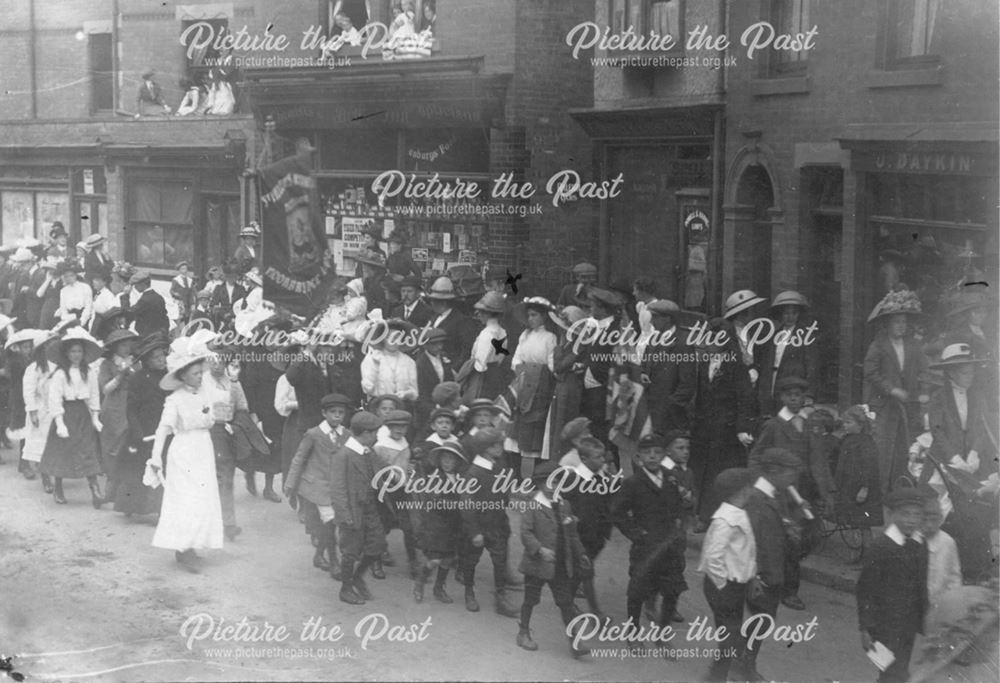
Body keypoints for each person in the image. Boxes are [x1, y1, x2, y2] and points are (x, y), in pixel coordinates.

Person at [749, 376, 833, 610]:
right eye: (790, 395)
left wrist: (825, 490)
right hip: (783, 492)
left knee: (810, 537)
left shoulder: (810, 425)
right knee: (790, 539)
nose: (795, 399)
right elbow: (756, 456)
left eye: (799, 395)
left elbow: (819, 460)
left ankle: (779, 577)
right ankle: (788, 590)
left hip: (807, 491)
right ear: (783, 398)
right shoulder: (774, 426)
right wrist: (763, 484)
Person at [148, 336, 222, 573]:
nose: (200, 377)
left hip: (203, 448)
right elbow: (163, 428)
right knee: (186, 499)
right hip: (184, 451)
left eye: (201, 372)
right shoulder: (175, 399)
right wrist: (155, 457)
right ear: (183, 376)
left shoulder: (204, 394)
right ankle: (183, 547)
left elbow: (211, 416)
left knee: (202, 497)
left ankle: (192, 545)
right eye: (195, 374)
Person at [926, 342, 996, 580]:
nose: (970, 376)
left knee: (981, 507)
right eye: (965, 372)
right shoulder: (938, 397)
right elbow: (938, 432)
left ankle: (978, 566)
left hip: (972, 461)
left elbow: (980, 427)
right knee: (951, 509)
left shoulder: (977, 395)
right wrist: (955, 458)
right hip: (946, 460)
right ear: (952, 372)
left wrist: (975, 453)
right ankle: (950, 565)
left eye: (972, 371)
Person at [515, 460, 592, 658]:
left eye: (557, 483)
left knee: (565, 602)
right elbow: (526, 533)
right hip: (537, 564)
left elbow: (572, 534)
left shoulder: (564, 505)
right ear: (540, 484)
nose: (553, 487)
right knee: (530, 599)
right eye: (549, 483)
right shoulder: (533, 505)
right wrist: (540, 550)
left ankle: (574, 640)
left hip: (559, 564)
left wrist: (581, 553)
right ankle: (523, 631)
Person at [612, 433, 687, 632]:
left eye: (657, 452)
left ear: (663, 455)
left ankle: (662, 633)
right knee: (638, 590)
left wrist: (678, 529)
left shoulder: (671, 479)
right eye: (647, 453)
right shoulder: (633, 483)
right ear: (638, 458)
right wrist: (637, 534)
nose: (652, 457)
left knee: (672, 590)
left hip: (670, 547)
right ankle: (633, 631)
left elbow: (678, 506)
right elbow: (617, 513)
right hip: (646, 547)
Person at [738, 447, 800, 682]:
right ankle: (744, 666)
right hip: (760, 573)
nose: (793, 479)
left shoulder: (775, 495)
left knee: (763, 619)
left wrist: (790, 530)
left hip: (774, 569)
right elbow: (748, 539)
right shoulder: (756, 499)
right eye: (790, 474)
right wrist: (754, 576)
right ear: (773, 471)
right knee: (760, 619)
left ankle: (741, 661)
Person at [857, 487, 930, 683]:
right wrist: (865, 628)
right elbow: (865, 590)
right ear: (891, 514)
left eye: (917, 515)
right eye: (905, 514)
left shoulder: (920, 544)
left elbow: (921, 585)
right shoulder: (881, 547)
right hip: (883, 627)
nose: (911, 520)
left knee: (898, 672)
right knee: (891, 674)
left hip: (909, 626)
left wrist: (925, 620)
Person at [691, 317, 756, 530]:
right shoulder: (704, 364)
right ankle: (704, 514)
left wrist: (742, 428)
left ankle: (719, 516)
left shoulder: (736, 367)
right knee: (704, 471)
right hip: (705, 428)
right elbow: (701, 396)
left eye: (716, 338)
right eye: (709, 337)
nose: (710, 342)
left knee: (721, 474)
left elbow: (745, 400)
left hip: (727, 430)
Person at [863, 289, 928, 494]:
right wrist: (891, 389)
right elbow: (870, 371)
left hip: (907, 405)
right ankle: (879, 493)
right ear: (888, 324)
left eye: (904, 322)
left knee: (905, 447)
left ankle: (900, 490)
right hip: (884, 405)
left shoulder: (914, 345)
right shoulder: (879, 345)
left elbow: (924, 370)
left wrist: (923, 391)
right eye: (897, 322)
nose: (902, 326)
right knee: (883, 448)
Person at [697, 468, 758, 683]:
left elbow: (745, 551)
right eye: (751, 487)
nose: (753, 490)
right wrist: (723, 586)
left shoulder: (738, 513)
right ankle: (717, 676)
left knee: (732, 632)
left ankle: (723, 671)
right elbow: (713, 556)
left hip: (735, 584)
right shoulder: (725, 520)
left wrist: (750, 576)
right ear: (742, 491)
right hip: (723, 585)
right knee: (730, 635)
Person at [284, 393, 352, 582]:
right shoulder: (313, 434)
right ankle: (334, 561)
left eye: (341, 412)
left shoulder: (346, 435)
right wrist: (290, 483)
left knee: (330, 524)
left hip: (337, 488)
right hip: (317, 487)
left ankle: (318, 555)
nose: (337, 416)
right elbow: (299, 458)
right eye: (332, 412)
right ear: (324, 413)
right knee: (329, 523)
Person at [39, 328, 105, 506]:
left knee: (87, 450)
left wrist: (96, 417)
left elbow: (94, 395)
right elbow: (54, 399)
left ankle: (95, 489)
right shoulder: (60, 374)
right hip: (65, 413)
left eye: (80, 351)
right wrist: (60, 423)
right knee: (63, 451)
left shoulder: (89, 372)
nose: (76, 355)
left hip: (82, 413)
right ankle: (58, 488)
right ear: (66, 353)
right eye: (73, 351)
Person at [459, 427, 520, 617]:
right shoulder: (474, 473)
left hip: (498, 525)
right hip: (479, 527)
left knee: (500, 561)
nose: (500, 447)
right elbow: (466, 505)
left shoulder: (498, 467)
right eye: (496, 445)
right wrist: (474, 531)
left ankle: (500, 597)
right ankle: (469, 592)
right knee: (470, 561)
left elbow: (502, 493)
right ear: (484, 448)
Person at [331, 410, 386, 605]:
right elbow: (337, 490)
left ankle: (357, 577)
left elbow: (381, 472)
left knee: (377, 545)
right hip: (353, 511)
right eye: (374, 432)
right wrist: (345, 516)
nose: (377, 436)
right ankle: (346, 588)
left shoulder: (368, 452)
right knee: (350, 551)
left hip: (371, 508)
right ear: (365, 433)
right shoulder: (343, 455)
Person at [116, 332, 169, 517]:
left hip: (163, 430)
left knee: (163, 468)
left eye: (163, 355)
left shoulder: (169, 377)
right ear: (147, 361)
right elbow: (131, 408)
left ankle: (159, 508)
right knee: (137, 469)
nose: (161, 360)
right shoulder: (138, 379)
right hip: (142, 431)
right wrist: (137, 431)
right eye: (156, 357)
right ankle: (130, 506)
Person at [562, 436, 615, 619]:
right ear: (584, 459)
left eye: (603, 457)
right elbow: (563, 502)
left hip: (597, 534)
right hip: (580, 534)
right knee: (586, 570)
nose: (602, 460)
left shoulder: (604, 478)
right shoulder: (573, 478)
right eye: (598, 457)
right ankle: (596, 612)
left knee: (581, 572)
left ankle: (566, 600)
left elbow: (609, 502)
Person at [203, 346, 251, 540]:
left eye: (221, 361)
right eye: (212, 360)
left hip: (225, 433)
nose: (216, 364)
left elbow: (242, 407)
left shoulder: (232, 383)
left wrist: (236, 424)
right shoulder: (201, 380)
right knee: (207, 479)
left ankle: (228, 523)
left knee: (226, 479)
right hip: (206, 432)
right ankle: (209, 523)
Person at [509, 297, 558, 477]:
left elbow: (552, 364)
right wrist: (521, 370)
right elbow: (516, 358)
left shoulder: (550, 338)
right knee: (518, 429)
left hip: (541, 386)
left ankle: (537, 476)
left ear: (544, 316)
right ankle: (516, 476)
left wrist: (545, 374)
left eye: (534, 315)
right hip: (524, 383)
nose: (530, 319)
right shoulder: (525, 335)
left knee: (535, 429)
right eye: (528, 315)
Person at [412, 442, 466, 604]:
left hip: (453, 525)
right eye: (444, 459)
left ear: (457, 462)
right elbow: (437, 502)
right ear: (440, 460)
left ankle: (439, 588)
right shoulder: (435, 478)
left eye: (451, 459)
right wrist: (457, 504)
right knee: (435, 560)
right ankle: (420, 581)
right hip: (436, 525)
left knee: (448, 559)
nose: (447, 463)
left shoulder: (460, 479)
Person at [96, 329, 139, 508]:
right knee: (113, 449)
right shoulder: (107, 365)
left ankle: (124, 495)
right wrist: (120, 376)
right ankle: (108, 493)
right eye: (122, 344)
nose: (127, 347)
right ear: (114, 347)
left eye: (128, 344)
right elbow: (105, 389)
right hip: (114, 408)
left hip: (131, 406)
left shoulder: (136, 362)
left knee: (130, 449)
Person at [834, 405, 883, 563]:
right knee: (853, 522)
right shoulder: (847, 440)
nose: (845, 426)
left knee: (863, 523)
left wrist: (865, 488)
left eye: (848, 422)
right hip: (848, 487)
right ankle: (856, 552)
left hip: (860, 490)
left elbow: (869, 467)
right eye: (844, 422)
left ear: (860, 425)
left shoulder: (866, 443)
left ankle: (868, 555)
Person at [758, 291, 819, 416]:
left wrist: (809, 394)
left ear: (798, 315)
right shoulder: (775, 335)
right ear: (781, 315)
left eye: (793, 313)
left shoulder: (804, 336)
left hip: (793, 383)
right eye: (786, 313)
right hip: (774, 382)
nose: (789, 317)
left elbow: (811, 365)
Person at [641, 299, 696, 435]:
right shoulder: (654, 339)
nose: (652, 321)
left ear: (668, 319)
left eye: (655, 317)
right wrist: (642, 374)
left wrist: (671, 406)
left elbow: (687, 383)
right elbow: (645, 365)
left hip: (669, 416)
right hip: (650, 411)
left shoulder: (683, 343)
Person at [547, 306, 589, 457]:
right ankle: (557, 456)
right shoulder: (566, 344)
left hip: (571, 386)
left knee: (566, 419)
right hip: (562, 385)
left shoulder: (578, 345)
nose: (561, 330)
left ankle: (564, 456)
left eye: (564, 327)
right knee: (558, 419)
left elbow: (559, 366)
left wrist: (558, 348)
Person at [20, 330, 57, 489]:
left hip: (56, 408)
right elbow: (28, 391)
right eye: (47, 345)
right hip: (41, 410)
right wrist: (33, 411)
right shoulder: (34, 368)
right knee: (41, 444)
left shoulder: (59, 365)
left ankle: (57, 475)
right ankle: (46, 477)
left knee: (56, 444)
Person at [921, 492, 962, 618]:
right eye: (925, 520)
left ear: (940, 520)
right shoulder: (913, 540)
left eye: (933, 520)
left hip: (941, 603)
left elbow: (954, 576)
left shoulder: (947, 542)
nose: (929, 525)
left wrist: (952, 601)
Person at [361, 320, 419, 405]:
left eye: (397, 337)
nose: (393, 341)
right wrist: (376, 367)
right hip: (378, 405)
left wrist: (406, 394)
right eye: (389, 337)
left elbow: (415, 393)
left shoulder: (409, 362)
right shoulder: (372, 358)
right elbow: (367, 389)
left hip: (402, 406)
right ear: (382, 339)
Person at [722, 289, 767, 391]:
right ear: (741, 313)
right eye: (752, 310)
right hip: (733, 385)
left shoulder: (754, 331)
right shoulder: (727, 334)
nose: (755, 313)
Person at [426, 277, 477, 364]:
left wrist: (455, 370)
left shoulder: (461, 321)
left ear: (443, 302)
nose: (431, 303)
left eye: (434, 300)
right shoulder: (434, 317)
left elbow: (466, 350)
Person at [414, 328, 454, 430]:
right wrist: (433, 409)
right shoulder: (420, 364)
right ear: (426, 345)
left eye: (441, 343)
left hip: (446, 404)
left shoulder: (444, 358)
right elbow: (421, 392)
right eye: (434, 344)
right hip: (428, 406)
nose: (439, 347)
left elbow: (450, 381)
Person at [127, 271, 169, 336]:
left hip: (147, 336)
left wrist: (126, 295)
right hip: (158, 334)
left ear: (143, 284)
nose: (135, 287)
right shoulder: (159, 297)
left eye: (136, 285)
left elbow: (128, 313)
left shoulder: (145, 299)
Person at [209, 262, 246, 329]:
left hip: (237, 318)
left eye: (234, 277)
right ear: (226, 277)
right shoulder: (219, 288)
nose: (232, 279)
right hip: (222, 319)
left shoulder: (241, 289)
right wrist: (223, 314)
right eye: (230, 277)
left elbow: (244, 304)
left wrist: (234, 316)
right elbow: (213, 305)